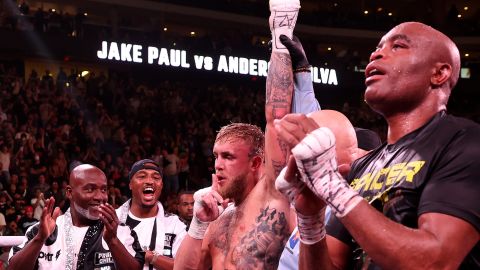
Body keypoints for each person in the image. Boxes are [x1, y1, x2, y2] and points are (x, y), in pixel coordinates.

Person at [274, 22, 480, 269]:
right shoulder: (362, 167)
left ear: (439, 73)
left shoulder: (465, 142)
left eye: (398, 46)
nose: (376, 54)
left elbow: (436, 261)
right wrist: (310, 219)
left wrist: (330, 185)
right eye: (377, 47)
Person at [174, 1, 301, 269]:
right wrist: (198, 226)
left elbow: (276, 117)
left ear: (256, 162)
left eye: (229, 156)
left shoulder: (274, 196)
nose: (218, 164)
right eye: (216, 156)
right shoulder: (218, 222)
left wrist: (281, 35)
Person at [8, 164, 144, 270]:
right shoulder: (41, 231)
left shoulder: (120, 231)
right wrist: (40, 239)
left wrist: (113, 241)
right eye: (90, 189)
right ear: (69, 192)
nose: (99, 197)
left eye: (103, 189)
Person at [116, 159, 187, 270]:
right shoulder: (113, 220)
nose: (149, 181)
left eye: (156, 177)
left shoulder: (176, 225)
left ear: (161, 185)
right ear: (130, 184)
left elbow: (185, 267)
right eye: (142, 176)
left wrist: (151, 257)